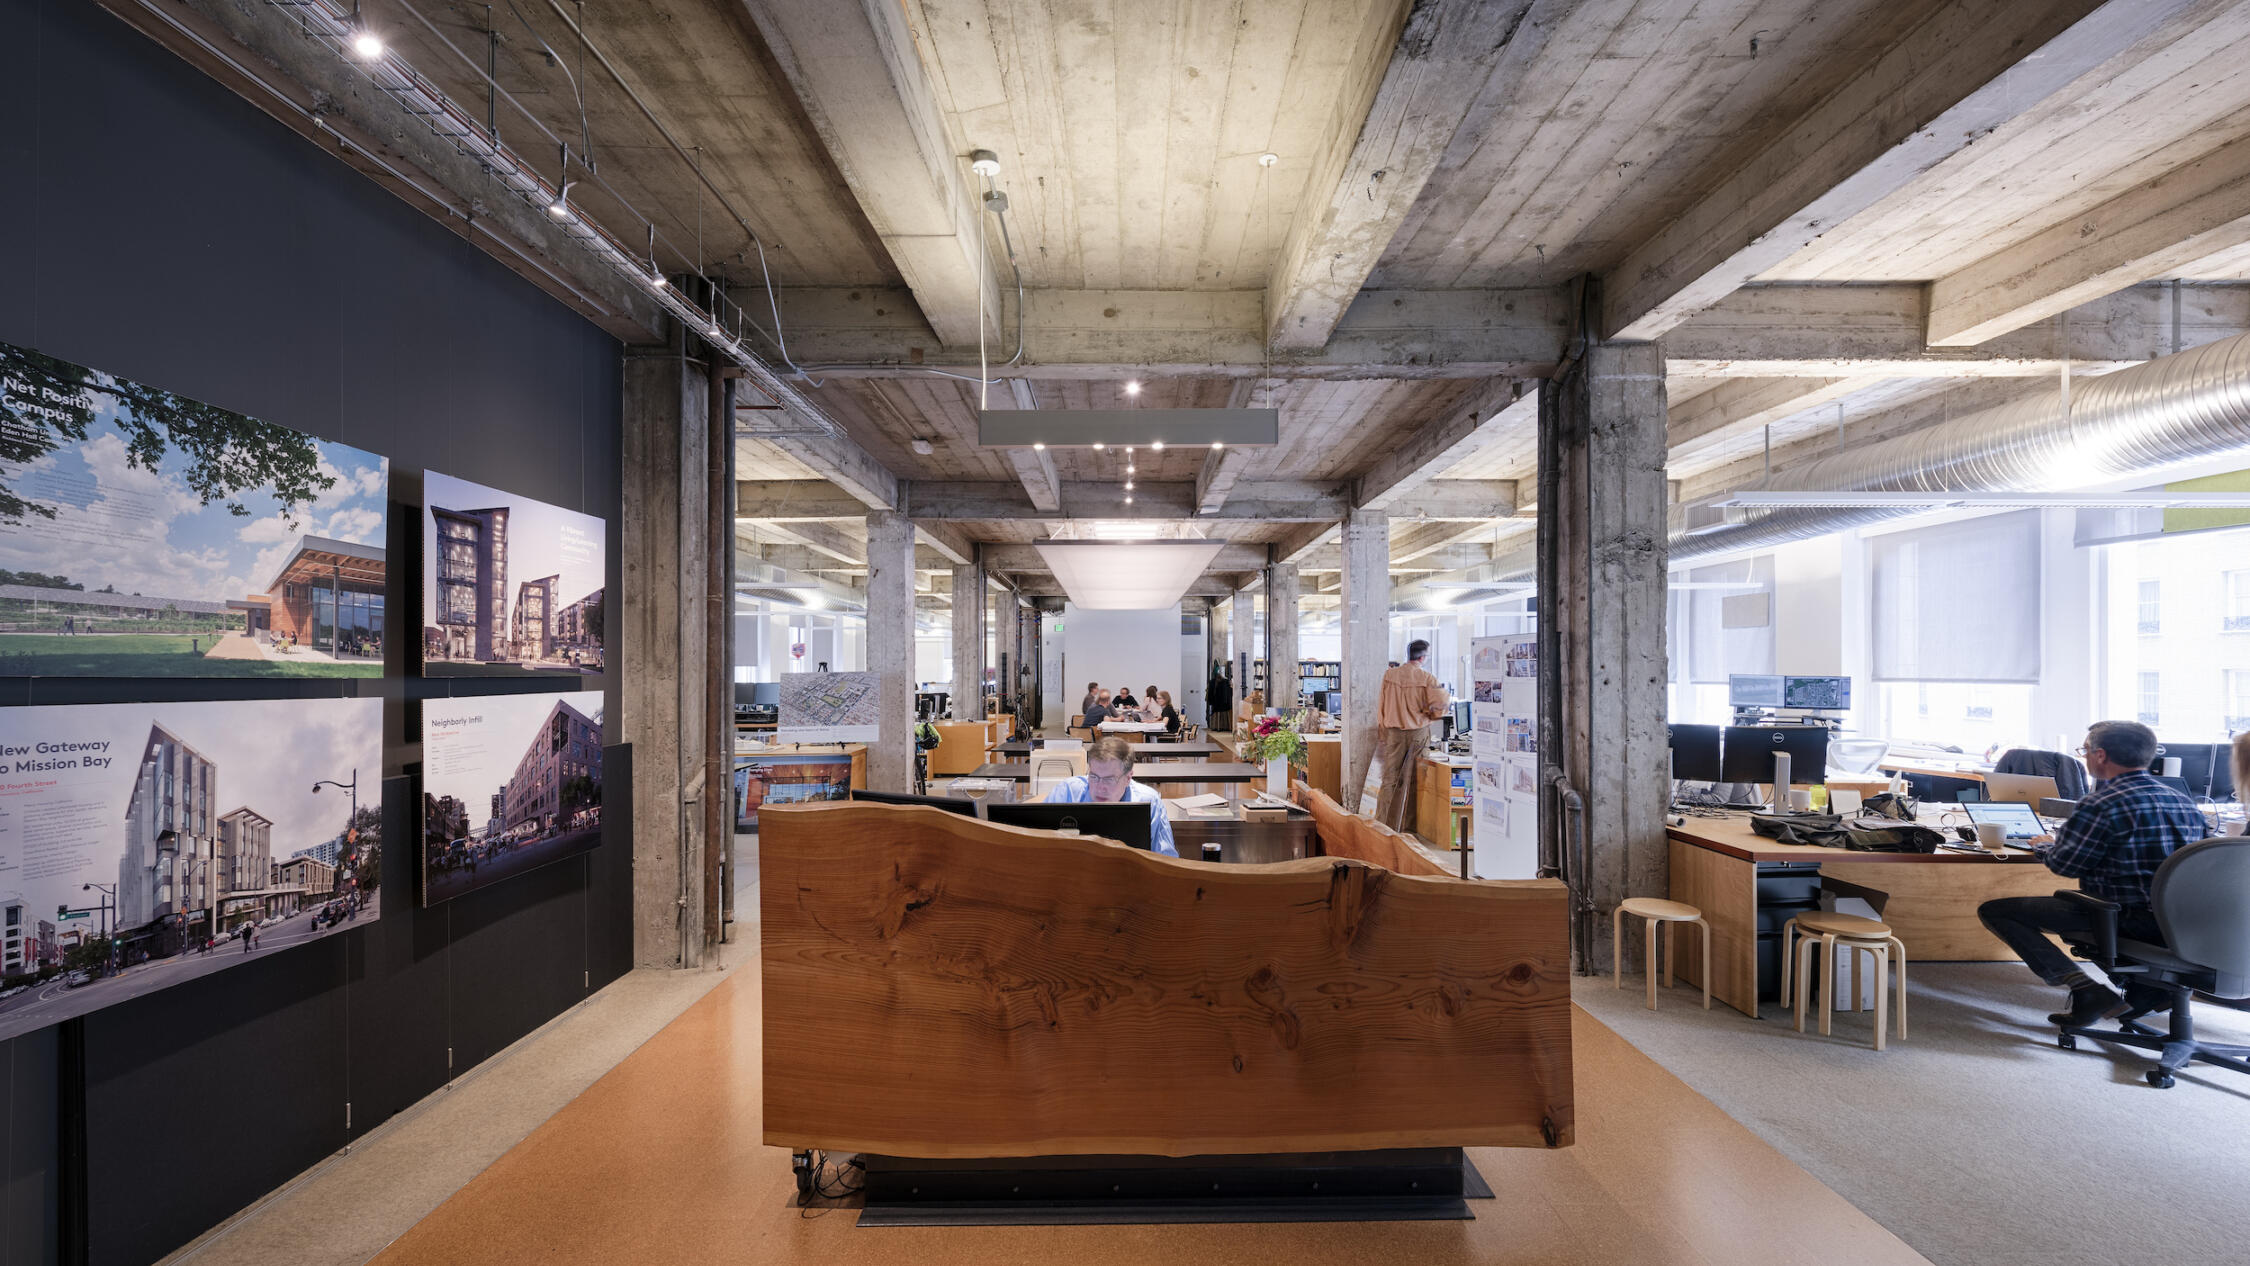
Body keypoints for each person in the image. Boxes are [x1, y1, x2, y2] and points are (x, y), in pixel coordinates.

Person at [1977, 720, 2210, 1026]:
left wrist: (2047, 846)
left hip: (2122, 917)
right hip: (2182, 921)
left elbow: (2065, 865)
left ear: (2100, 755)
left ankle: (2086, 989)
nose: (2084, 756)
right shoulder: (2184, 803)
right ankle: (2149, 990)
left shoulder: (2100, 803)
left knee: (1997, 911)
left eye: (2085, 750)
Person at [1039, 735, 1178, 856]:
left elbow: (1166, 859)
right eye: (1093, 776)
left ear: (1128, 777)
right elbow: (1037, 842)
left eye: (1109, 779)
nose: (1100, 787)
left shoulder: (1149, 802)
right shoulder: (1067, 792)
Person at [1374, 639, 1452, 832]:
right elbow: (1441, 707)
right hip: (1417, 734)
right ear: (1423, 657)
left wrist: (1383, 730)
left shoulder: (1389, 675)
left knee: (1389, 780)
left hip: (1393, 734)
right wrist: (1428, 714)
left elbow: (1381, 705)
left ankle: (1383, 825)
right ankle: (1408, 829)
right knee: (1415, 782)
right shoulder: (1427, 678)